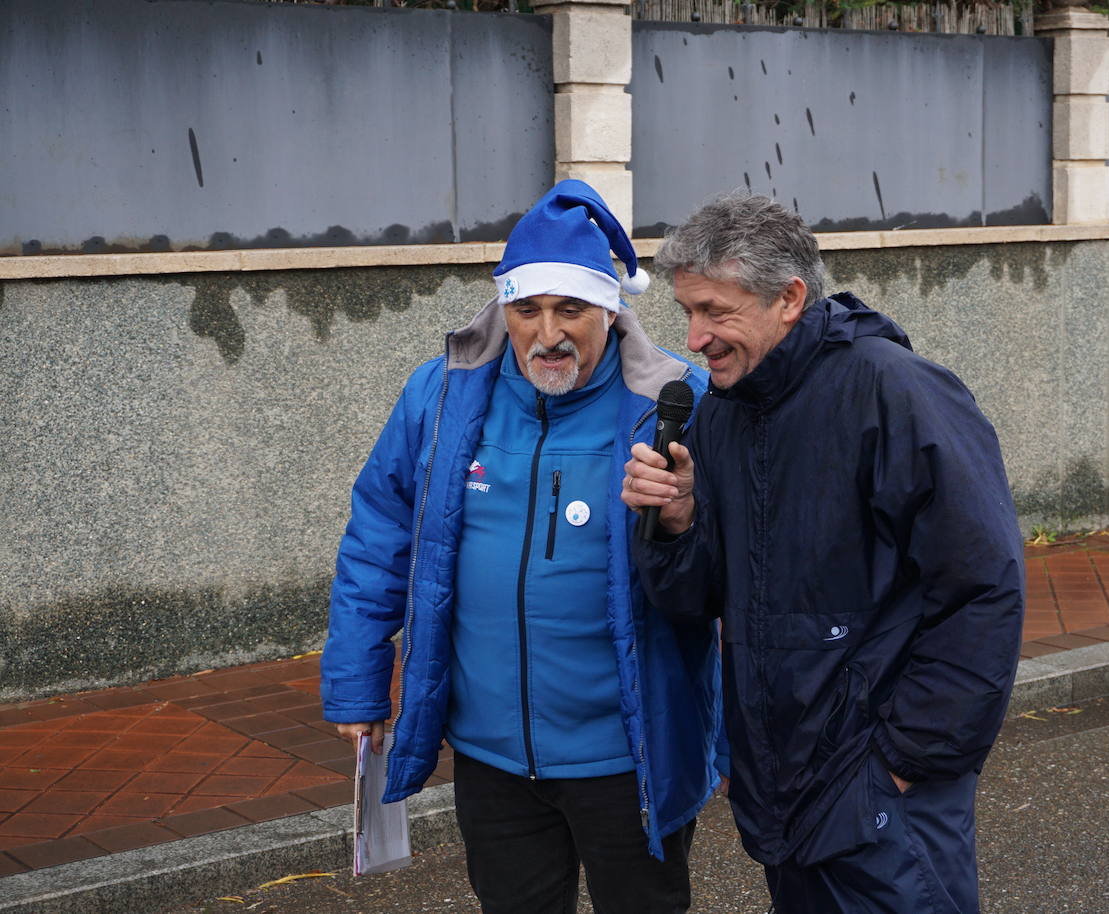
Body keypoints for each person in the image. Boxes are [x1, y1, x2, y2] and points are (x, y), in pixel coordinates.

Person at [321, 180, 722, 914]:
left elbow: (726, 570)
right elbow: (379, 533)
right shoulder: (441, 394)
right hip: (491, 753)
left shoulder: (677, 403)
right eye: (527, 309)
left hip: (625, 752)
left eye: (570, 308)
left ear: (610, 306)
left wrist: (683, 520)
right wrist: (357, 678)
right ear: (501, 306)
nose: (547, 334)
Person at [621, 192, 1025, 914]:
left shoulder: (892, 391)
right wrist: (678, 522)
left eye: (716, 310)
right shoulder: (723, 414)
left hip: (881, 796)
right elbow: (698, 599)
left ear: (790, 299)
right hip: (783, 789)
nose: (697, 335)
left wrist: (902, 764)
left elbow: (983, 591)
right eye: (687, 312)